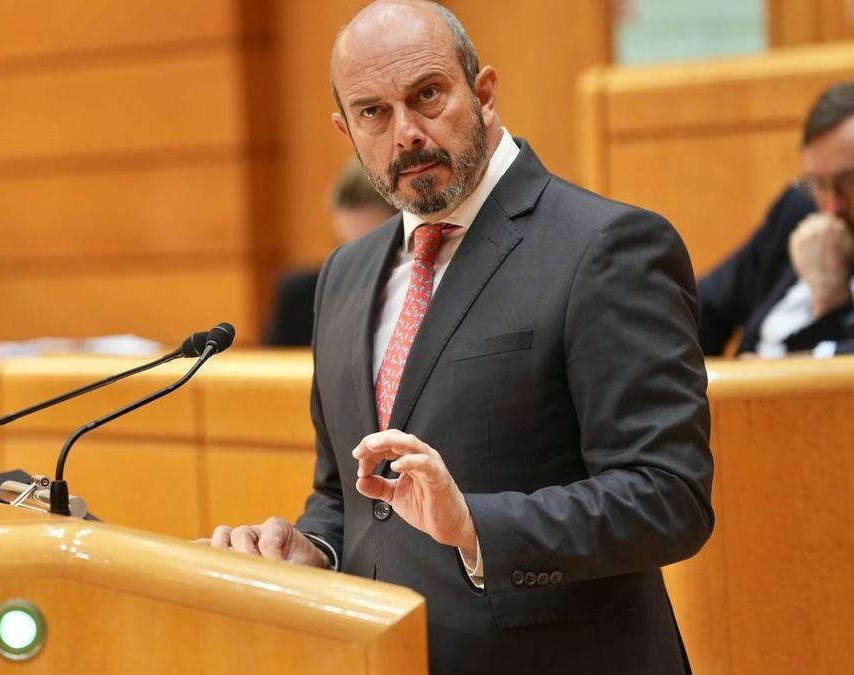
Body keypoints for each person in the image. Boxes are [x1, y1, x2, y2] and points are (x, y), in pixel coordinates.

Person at [205, 2, 713, 673]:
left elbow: (667, 496)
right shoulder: (346, 275)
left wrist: (475, 524)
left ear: (484, 92)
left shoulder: (605, 248)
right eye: (373, 113)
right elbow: (344, 495)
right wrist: (314, 548)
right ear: (346, 128)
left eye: (427, 95)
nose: (407, 132)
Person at [699, 82, 854, 357]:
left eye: (849, 182)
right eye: (817, 183)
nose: (831, 206)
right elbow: (706, 306)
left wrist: (831, 296)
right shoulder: (799, 209)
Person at [264, 158, 396, 346]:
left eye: (371, 247)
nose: (359, 260)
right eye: (346, 244)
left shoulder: (419, 292)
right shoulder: (302, 296)